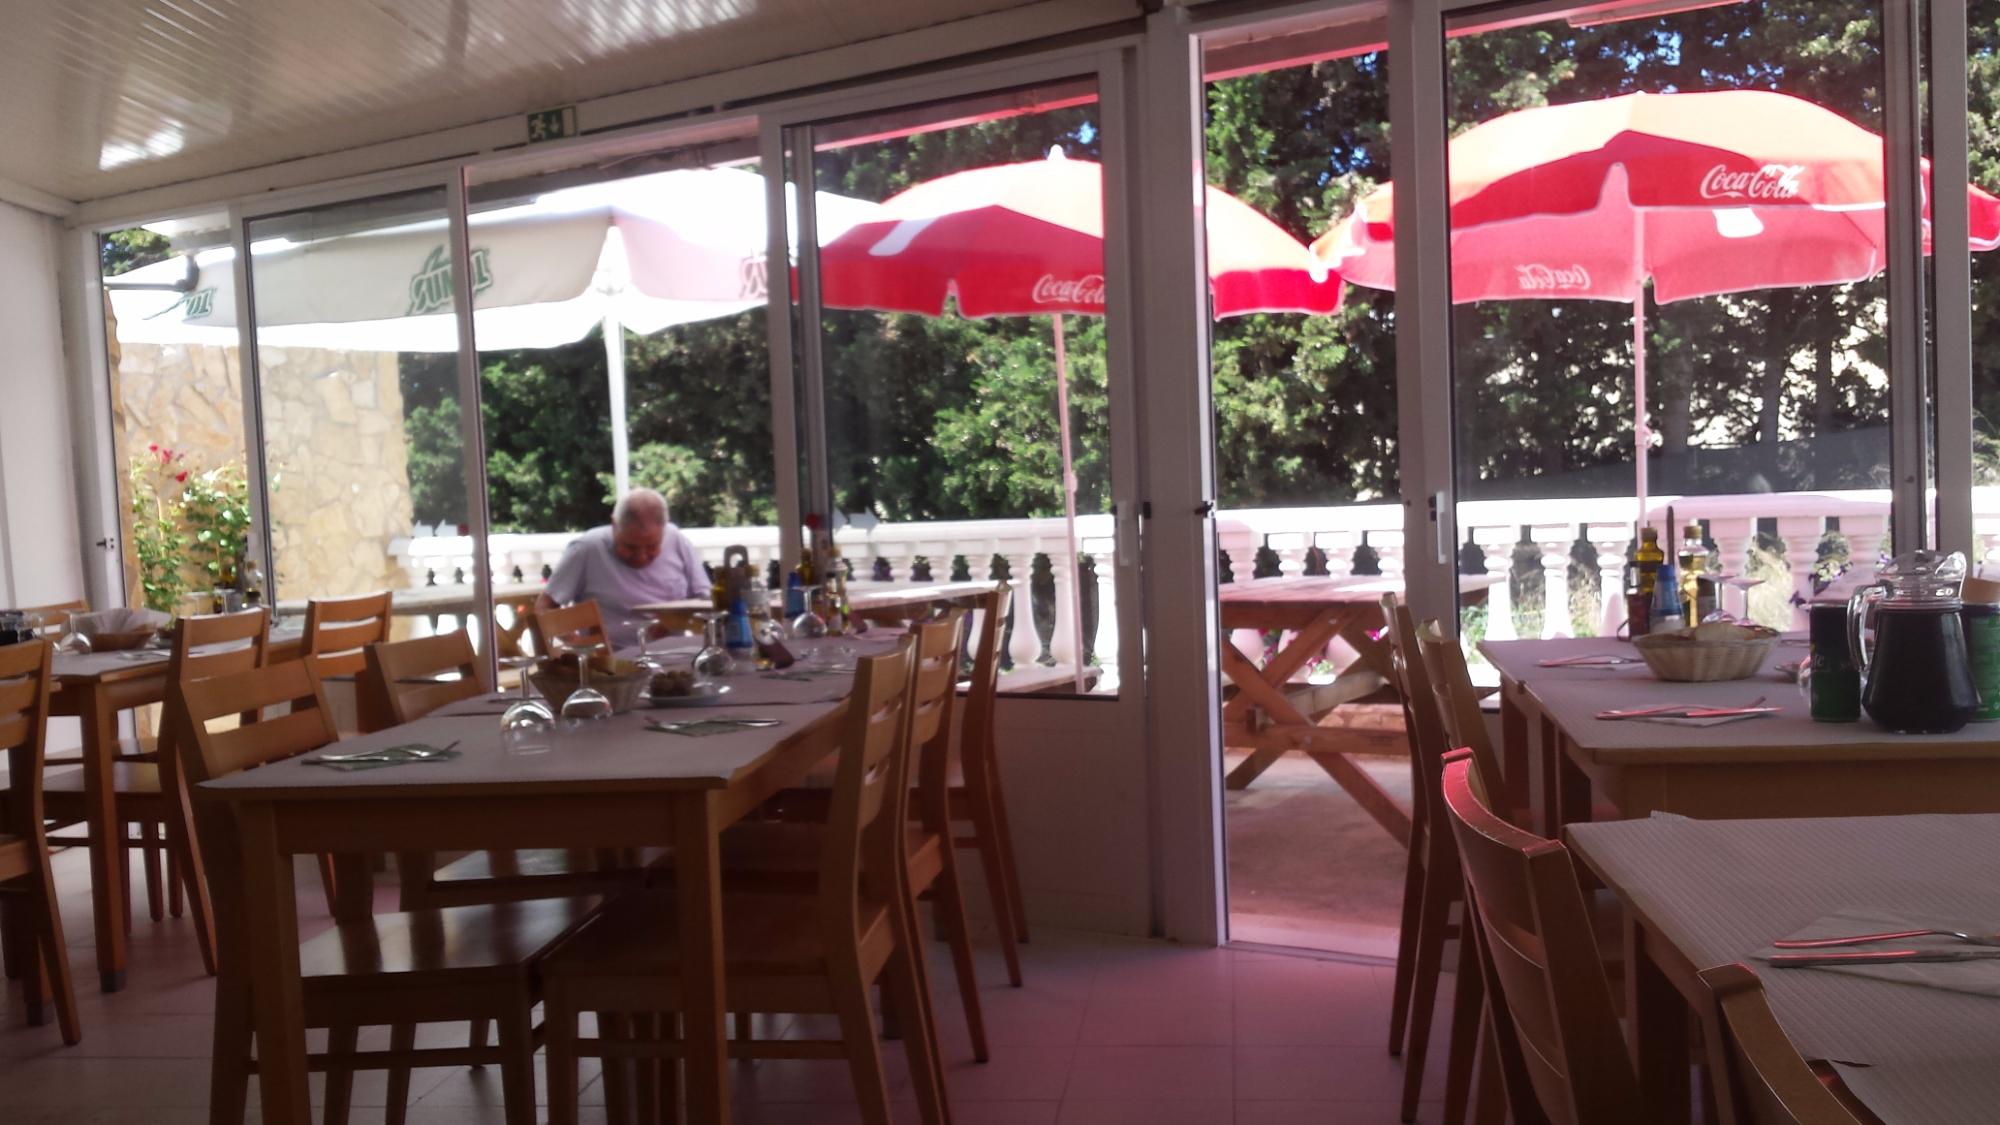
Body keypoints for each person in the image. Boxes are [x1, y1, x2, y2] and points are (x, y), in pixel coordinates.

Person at [538, 488, 708, 646]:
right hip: (612, 659)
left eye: (652, 547)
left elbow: (705, 600)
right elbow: (544, 606)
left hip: (675, 654)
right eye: (630, 547)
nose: (641, 557)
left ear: (664, 529)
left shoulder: (677, 540)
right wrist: (578, 644)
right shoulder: (586, 549)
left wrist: (679, 620)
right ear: (614, 525)